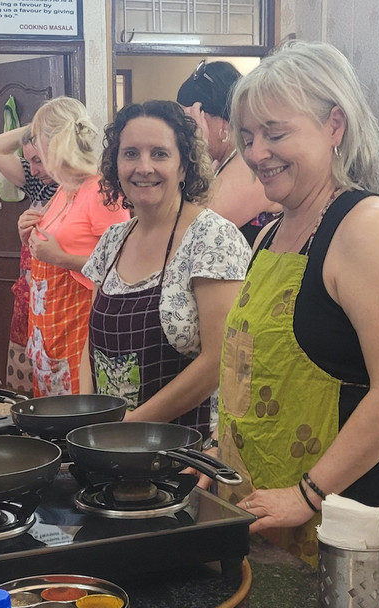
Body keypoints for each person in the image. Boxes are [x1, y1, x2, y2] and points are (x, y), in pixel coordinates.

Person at [216, 40, 379, 565]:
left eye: (275, 133)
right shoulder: (270, 234)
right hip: (262, 509)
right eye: (247, 137)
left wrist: (306, 494)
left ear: (334, 126)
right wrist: (215, 454)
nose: (256, 153)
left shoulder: (369, 227)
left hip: (341, 521)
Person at [79, 100, 249, 435]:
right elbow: (90, 345)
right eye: (130, 153)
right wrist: (87, 416)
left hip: (187, 450)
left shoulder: (212, 238)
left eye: (159, 153)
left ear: (184, 166)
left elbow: (219, 360)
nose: (144, 167)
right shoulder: (113, 241)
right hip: (110, 443)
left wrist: (130, 425)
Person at [22, 97, 129, 396]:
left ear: (50, 141)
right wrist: (29, 237)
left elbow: (120, 268)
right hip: (50, 333)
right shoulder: (64, 190)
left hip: (80, 327)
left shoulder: (101, 191)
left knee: (77, 418)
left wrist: (60, 257)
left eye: (37, 137)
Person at [0, 124, 59, 392]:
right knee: (26, 386)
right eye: (29, 161)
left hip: (59, 301)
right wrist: (38, 124)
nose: (34, 168)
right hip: (31, 295)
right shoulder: (38, 183)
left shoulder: (83, 190)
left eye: (38, 160)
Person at [177, 60, 280, 243]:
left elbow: (195, 228)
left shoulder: (249, 164)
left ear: (223, 123)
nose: (183, 131)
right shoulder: (220, 162)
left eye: (190, 119)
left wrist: (197, 147)